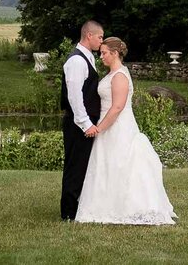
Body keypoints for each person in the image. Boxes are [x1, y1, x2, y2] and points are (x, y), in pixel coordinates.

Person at [75, 37, 176, 225]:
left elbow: (117, 107)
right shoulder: (112, 74)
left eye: (104, 53)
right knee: (107, 164)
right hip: (108, 125)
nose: (101, 56)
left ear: (115, 53)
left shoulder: (119, 76)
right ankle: (105, 205)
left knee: (120, 163)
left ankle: (125, 206)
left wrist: (99, 129)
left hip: (118, 126)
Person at [60, 20, 104, 221]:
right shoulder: (76, 61)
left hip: (85, 123)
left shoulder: (88, 58)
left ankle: (77, 207)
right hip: (78, 124)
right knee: (75, 166)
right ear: (89, 36)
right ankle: (68, 212)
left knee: (83, 165)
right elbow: (74, 97)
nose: (101, 41)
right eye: (100, 37)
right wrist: (86, 124)